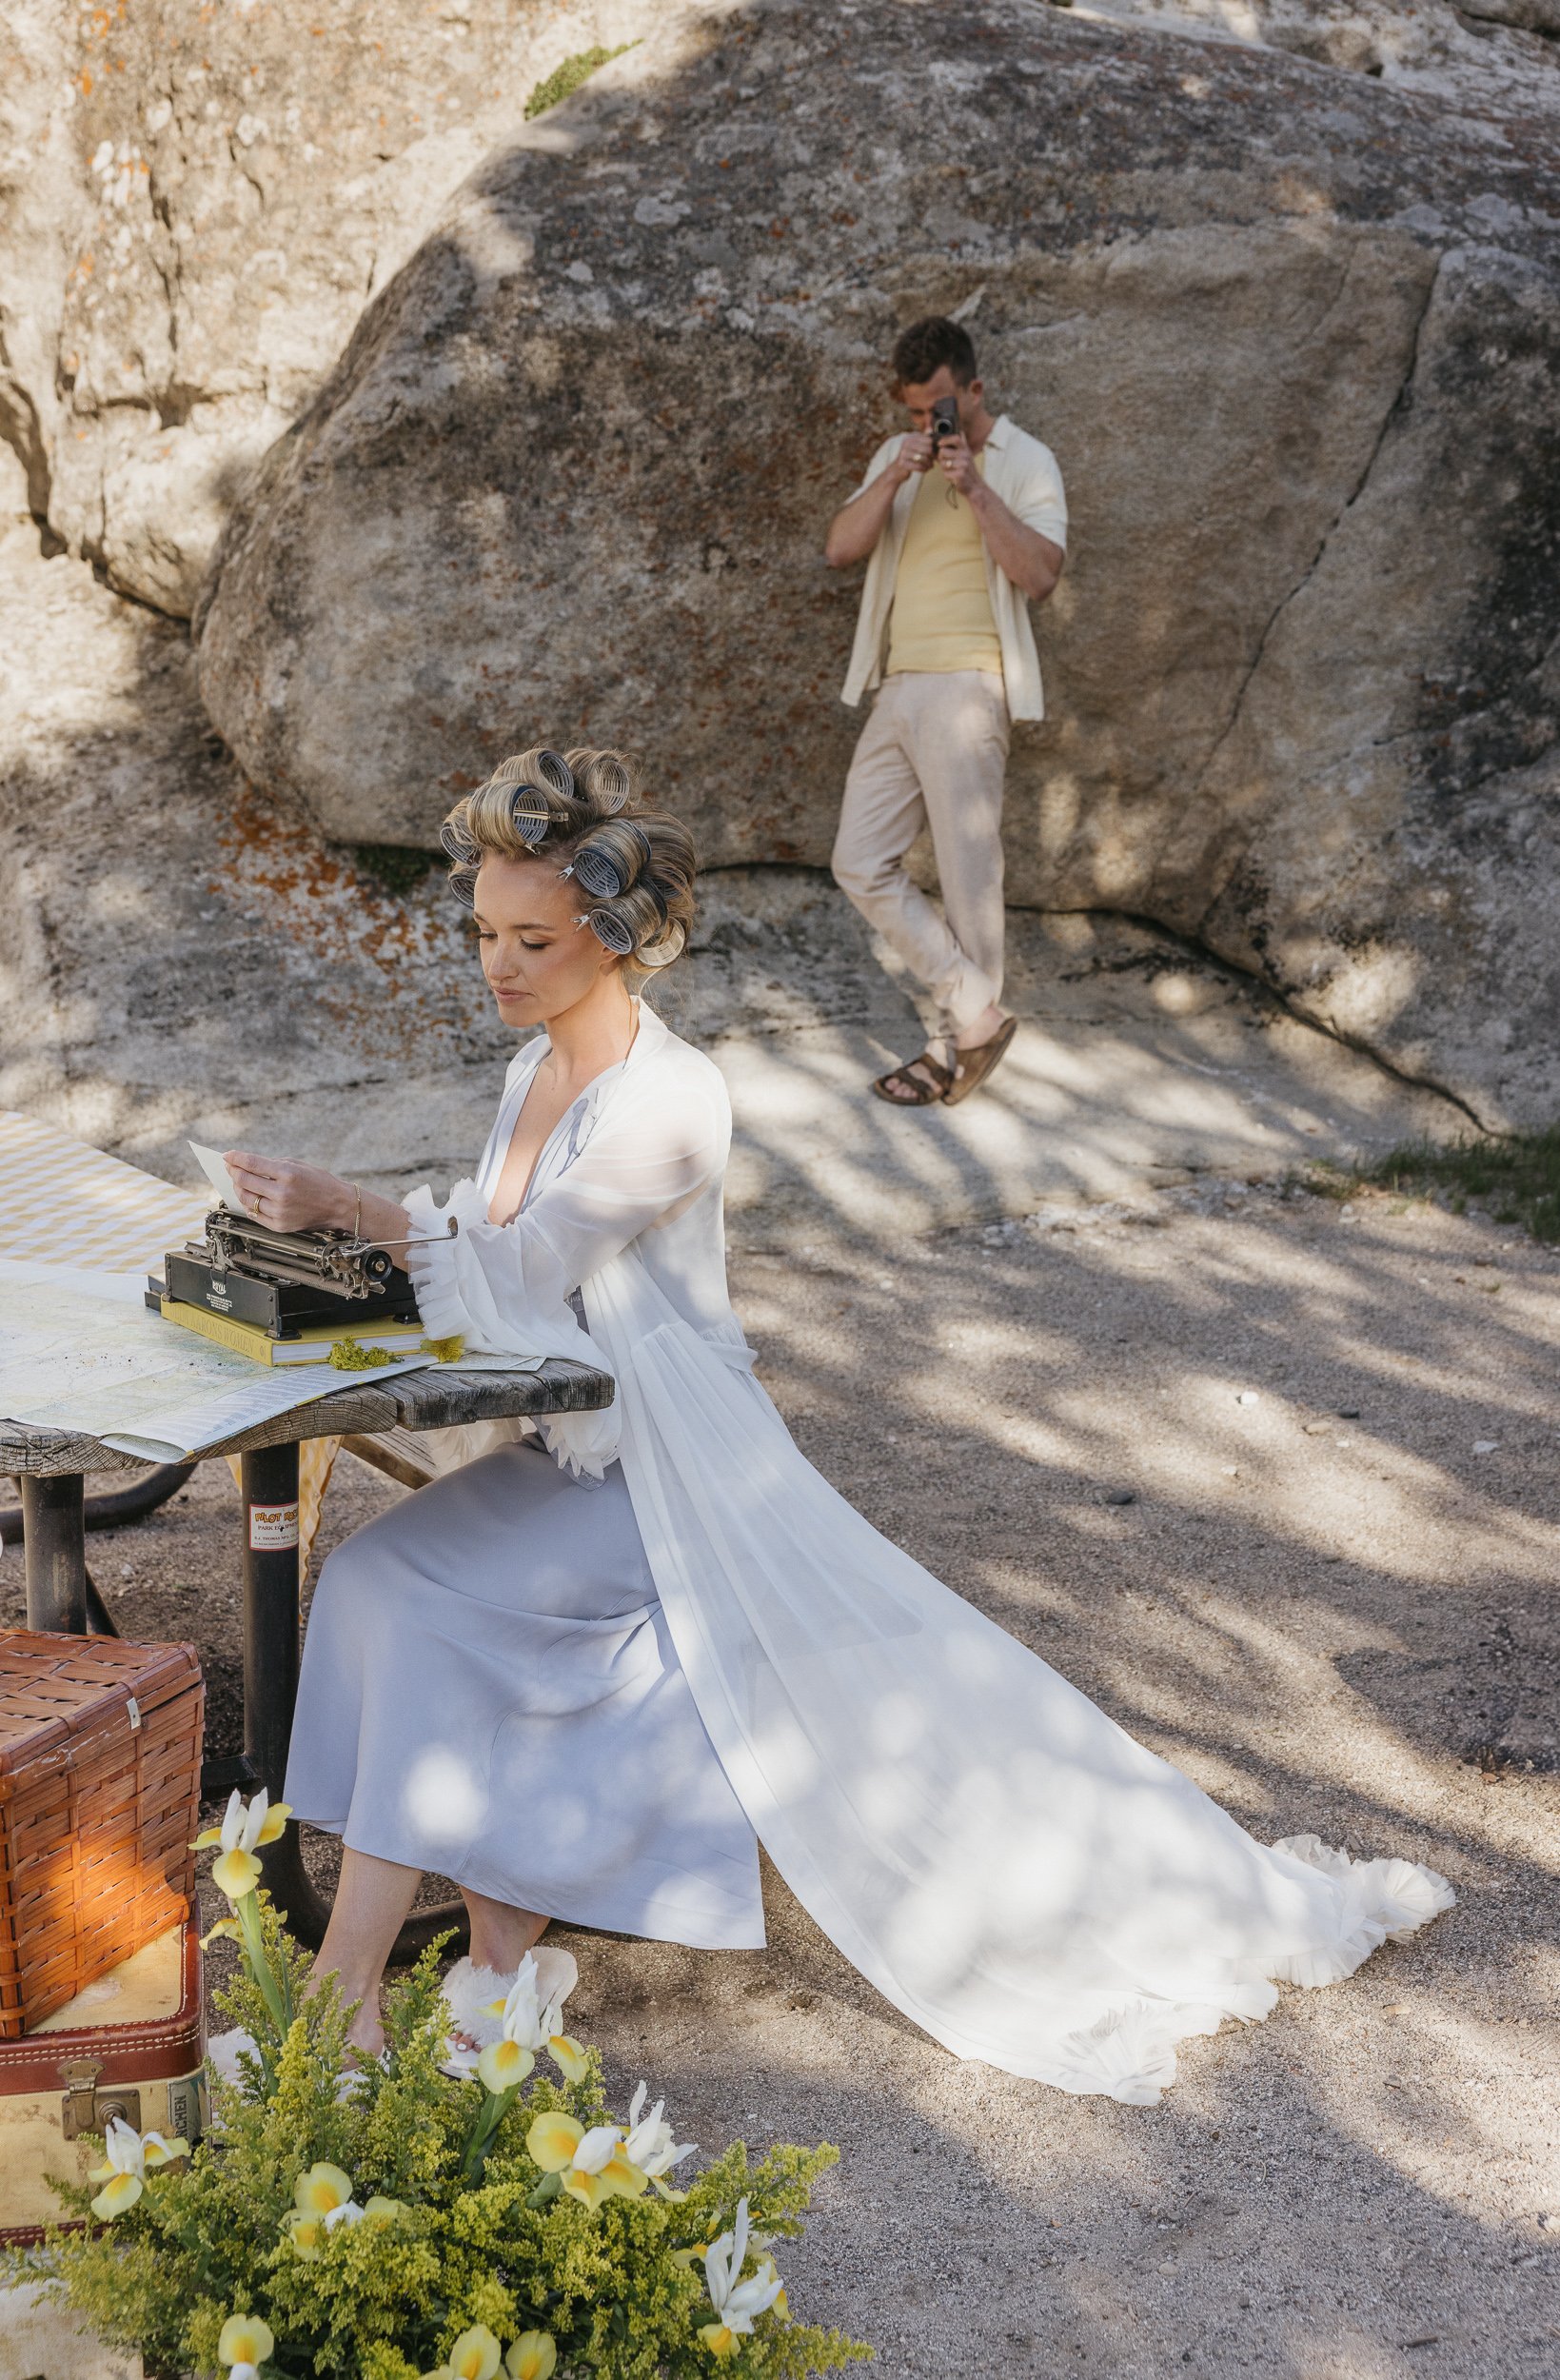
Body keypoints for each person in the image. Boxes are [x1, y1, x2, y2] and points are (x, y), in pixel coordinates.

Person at [226, 744, 1451, 2104]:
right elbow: (502, 1278)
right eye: (481, 935)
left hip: (679, 1480)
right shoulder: (531, 1078)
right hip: (576, 1451)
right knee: (384, 1579)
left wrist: (359, 1211)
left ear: (620, 940)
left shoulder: (675, 1103)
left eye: (531, 940)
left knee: (418, 1600)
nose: (496, 966)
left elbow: (524, 1268)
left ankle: (347, 1993)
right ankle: (492, 1954)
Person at [825, 315, 1067, 1108]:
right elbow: (839, 548)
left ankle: (949, 1046)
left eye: (938, 407)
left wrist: (972, 486)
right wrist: (895, 476)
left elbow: (1040, 577)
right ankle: (975, 1014)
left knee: (969, 878)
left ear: (973, 390)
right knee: (858, 860)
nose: (927, 423)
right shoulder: (893, 461)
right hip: (898, 684)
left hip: (970, 684)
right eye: (912, 411)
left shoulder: (1026, 461)